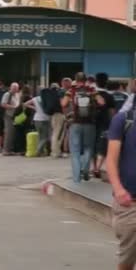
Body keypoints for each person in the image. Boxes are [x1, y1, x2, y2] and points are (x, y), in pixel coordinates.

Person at [106, 107, 136, 270]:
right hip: (130, 203)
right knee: (127, 261)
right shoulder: (124, 120)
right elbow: (111, 160)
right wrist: (118, 190)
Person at [62, 72, 105, 183]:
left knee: (75, 151)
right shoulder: (91, 90)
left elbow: (63, 103)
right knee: (88, 148)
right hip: (90, 124)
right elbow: (101, 102)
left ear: (75, 79)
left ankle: (76, 178)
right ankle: (84, 169)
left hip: (75, 123)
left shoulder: (71, 90)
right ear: (85, 80)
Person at [93, 73, 115, 179]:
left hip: (91, 123)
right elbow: (112, 113)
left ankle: (92, 167)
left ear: (96, 82)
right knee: (102, 146)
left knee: (91, 145)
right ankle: (97, 167)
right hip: (104, 124)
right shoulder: (109, 96)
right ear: (106, 82)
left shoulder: (91, 94)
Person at [24, 91, 51, 157]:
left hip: (37, 119)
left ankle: (41, 151)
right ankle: (38, 151)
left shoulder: (35, 99)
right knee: (45, 136)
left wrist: (34, 108)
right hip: (45, 119)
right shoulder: (47, 98)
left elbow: (25, 104)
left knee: (40, 136)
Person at [1, 83, 21, 156]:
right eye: (14, 88)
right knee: (9, 132)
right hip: (8, 115)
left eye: (16, 88)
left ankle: (11, 149)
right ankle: (6, 150)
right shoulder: (7, 94)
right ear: (10, 88)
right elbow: (3, 104)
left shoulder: (17, 95)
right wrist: (13, 107)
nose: (15, 90)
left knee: (13, 133)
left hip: (16, 116)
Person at [13, 85, 33, 155]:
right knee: (25, 134)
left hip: (19, 116)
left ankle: (19, 149)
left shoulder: (21, 97)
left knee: (19, 134)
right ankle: (24, 149)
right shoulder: (29, 98)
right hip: (26, 117)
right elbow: (29, 109)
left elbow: (18, 106)